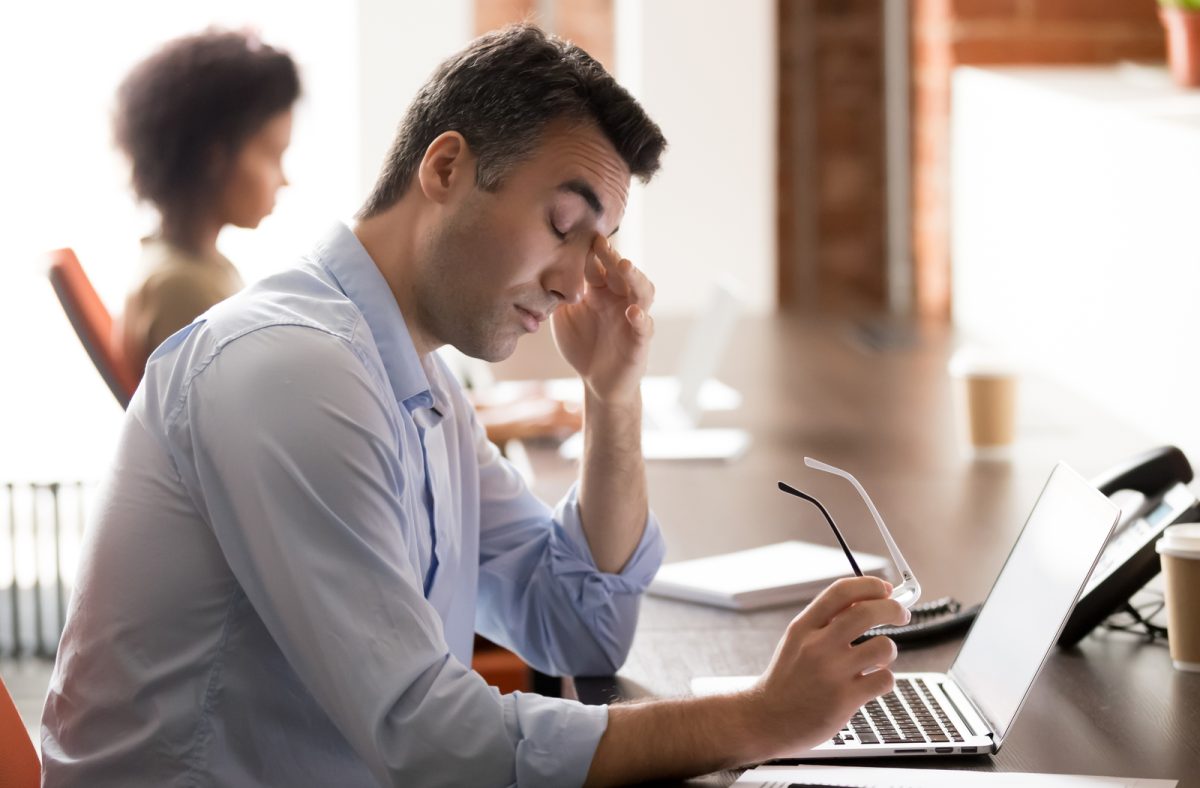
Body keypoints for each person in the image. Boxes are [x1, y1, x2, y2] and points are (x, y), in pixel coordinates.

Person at [41, 24, 907, 787]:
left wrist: (612, 395)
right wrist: (756, 719)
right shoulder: (289, 370)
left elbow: (577, 627)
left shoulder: (416, 381)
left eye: (596, 247)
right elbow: (431, 742)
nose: (575, 281)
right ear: (447, 167)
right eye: (564, 225)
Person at [112, 29, 300, 376]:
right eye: (273, 154)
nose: (284, 179)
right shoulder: (180, 287)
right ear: (214, 158)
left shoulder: (193, 267)